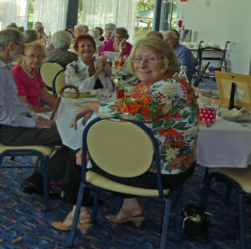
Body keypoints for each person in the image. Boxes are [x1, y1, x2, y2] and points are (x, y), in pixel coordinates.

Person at [52, 36, 198, 232]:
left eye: (151, 59)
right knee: (93, 151)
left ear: (166, 60)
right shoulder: (148, 85)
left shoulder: (170, 87)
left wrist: (94, 107)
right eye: (137, 58)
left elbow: (140, 111)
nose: (142, 65)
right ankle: (130, 208)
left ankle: (78, 215)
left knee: (77, 156)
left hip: (162, 172)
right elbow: (127, 111)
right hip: (157, 160)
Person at [0, 29, 63, 196]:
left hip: (15, 124)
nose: (22, 52)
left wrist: (34, 114)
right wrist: (35, 123)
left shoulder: (1, 68)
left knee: (69, 132)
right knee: (70, 136)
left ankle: (46, 178)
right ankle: (42, 181)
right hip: (10, 131)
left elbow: (13, 104)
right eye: (21, 47)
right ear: (11, 46)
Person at [12, 42, 56, 112]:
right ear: (22, 57)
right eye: (31, 56)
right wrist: (46, 110)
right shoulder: (16, 73)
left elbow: (45, 95)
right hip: (25, 114)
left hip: (37, 111)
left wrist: (59, 104)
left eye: (39, 56)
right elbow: (23, 104)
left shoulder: (34, 72)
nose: (36, 60)